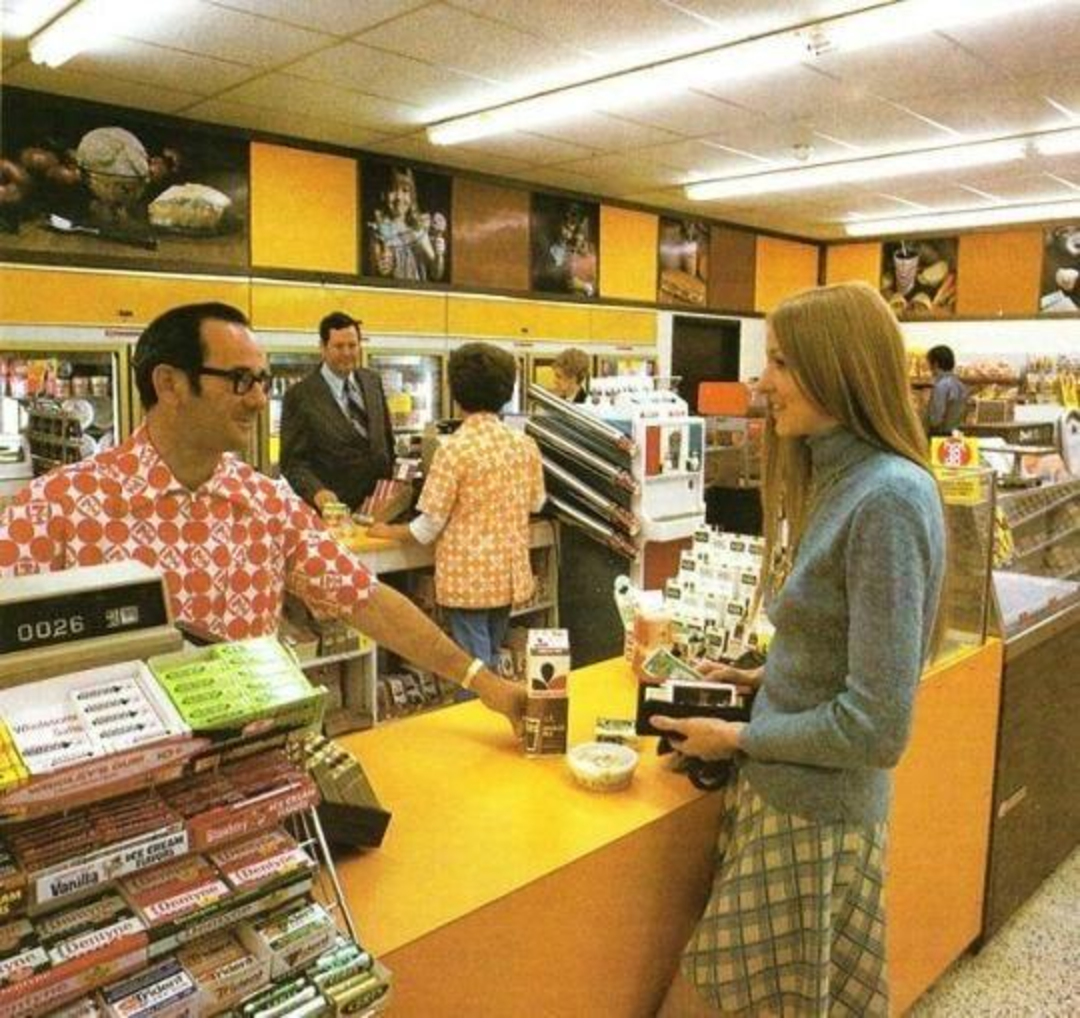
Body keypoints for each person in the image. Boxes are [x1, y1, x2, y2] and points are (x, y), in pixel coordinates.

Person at [0, 303, 524, 735]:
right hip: (114, 798)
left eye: (263, 381)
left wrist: (484, 682)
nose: (257, 399)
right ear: (170, 384)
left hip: (254, 776)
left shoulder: (264, 503)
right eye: (240, 380)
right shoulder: (56, 508)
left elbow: (364, 599)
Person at [652, 282, 947, 1018]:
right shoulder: (844, 480)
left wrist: (740, 735)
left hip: (812, 822)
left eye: (780, 362)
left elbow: (878, 727)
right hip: (788, 804)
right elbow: (837, 654)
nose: (762, 383)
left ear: (836, 366)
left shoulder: (885, 498)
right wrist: (754, 678)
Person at [369, 343, 545, 676]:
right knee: (490, 658)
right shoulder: (525, 445)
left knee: (473, 672)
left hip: (467, 580)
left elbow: (426, 528)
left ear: (456, 391)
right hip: (508, 575)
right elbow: (535, 503)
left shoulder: (454, 450)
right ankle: (493, 718)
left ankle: (478, 718)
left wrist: (385, 530)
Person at [280, 311, 395, 513]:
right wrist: (317, 492)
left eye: (352, 345)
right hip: (335, 513)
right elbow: (293, 463)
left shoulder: (372, 381)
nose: (347, 353)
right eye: (339, 346)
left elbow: (386, 438)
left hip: (379, 508)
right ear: (323, 348)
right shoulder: (300, 396)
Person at [367, 165, 447, 282]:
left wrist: (439, 254)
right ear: (384, 194)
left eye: (405, 191)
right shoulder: (379, 228)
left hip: (418, 295)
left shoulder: (418, 227)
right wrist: (382, 265)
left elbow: (436, 273)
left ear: (412, 196)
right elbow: (376, 270)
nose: (399, 197)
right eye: (392, 190)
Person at [924, 344, 969, 437]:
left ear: (935, 363)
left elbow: (935, 420)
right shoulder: (961, 385)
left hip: (940, 437)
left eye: (928, 363)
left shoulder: (941, 386)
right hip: (956, 434)